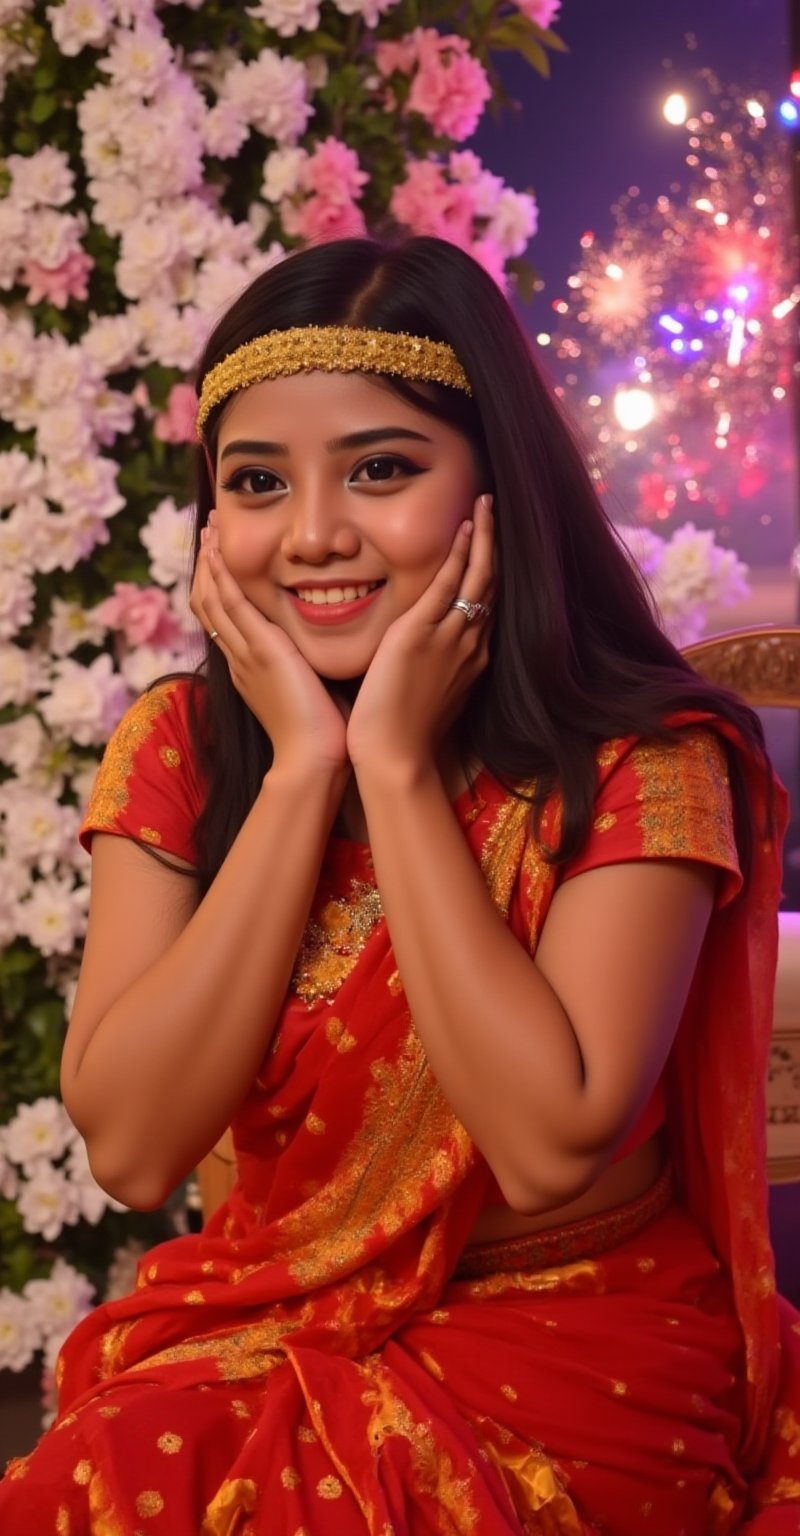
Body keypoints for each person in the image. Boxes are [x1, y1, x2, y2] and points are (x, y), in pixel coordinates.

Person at [1, 234, 798, 1536]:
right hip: (271, 1326)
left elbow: (546, 1146)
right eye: (258, 482)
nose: (314, 536)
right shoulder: (188, 753)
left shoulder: (644, 756)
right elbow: (138, 1149)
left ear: (499, 490)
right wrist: (305, 776)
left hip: (575, 1354)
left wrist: (399, 767)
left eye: (381, 469)